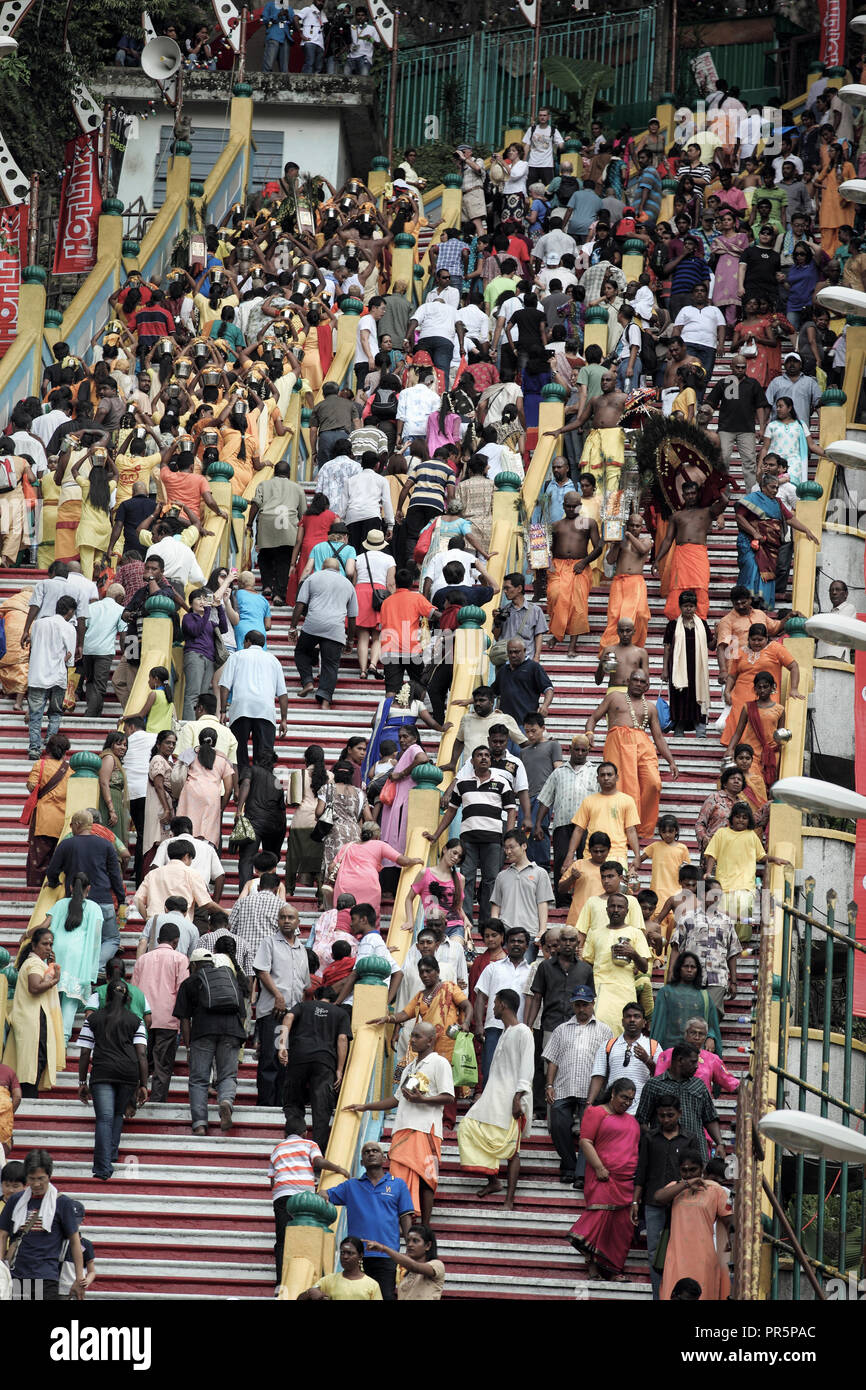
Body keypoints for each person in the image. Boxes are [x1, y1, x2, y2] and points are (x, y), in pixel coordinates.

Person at [345, 1022, 454, 1223]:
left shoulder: (439, 1063)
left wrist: (423, 1100)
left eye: (418, 1037)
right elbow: (396, 1099)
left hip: (426, 1129)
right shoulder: (410, 1067)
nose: (412, 1040)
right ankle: (404, 1222)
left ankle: (425, 1226)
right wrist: (365, 1106)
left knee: (426, 1178)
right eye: (412, 1035)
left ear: (430, 1040)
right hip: (403, 1128)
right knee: (398, 1178)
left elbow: (449, 1096)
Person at [457, 989, 534, 1209]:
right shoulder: (505, 1032)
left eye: (494, 1004)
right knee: (467, 1128)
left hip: (512, 1097)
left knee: (513, 1150)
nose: (492, 1008)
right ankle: (493, 1181)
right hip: (493, 1095)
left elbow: (527, 1068)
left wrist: (518, 1097)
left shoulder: (523, 1032)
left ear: (502, 1005)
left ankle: (509, 1198)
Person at [424, 746, 517, 924]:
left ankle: (487, 921)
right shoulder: (462, 783)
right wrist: (436, 835)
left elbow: (511, 812)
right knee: (465, 878)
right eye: (479, 755)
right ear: (472, 760)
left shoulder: (502, 782)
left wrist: (509, 839)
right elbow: (451, 812)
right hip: (467, 841)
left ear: (490, 759)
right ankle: (463, 918)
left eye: (486, 755)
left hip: (494, 840)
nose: (483, 758)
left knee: (491, 880)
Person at [586, 671, 679, 839]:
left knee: (653, 783)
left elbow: (658, 737)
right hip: (617, 744)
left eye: (642, 681)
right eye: (634, 679)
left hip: (643, 745)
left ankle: (641, 828)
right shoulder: (614, 697)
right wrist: (589, 733)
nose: (638, 683)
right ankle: (621, 828)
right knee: (621, 788)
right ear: (628, 680)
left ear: (647, 686)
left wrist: (671, 761)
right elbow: (593, 718)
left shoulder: (650, 707)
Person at [322, 1140, 414, 1300]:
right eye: (366, 1152)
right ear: (361, 1162)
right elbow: (325, 1194)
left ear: (384, 1158)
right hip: (357, 1256)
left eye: (375, 1150)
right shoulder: (351, 1186)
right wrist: (322, 1194)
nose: (371, 1153)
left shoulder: (398, 1184)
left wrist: (410, 1248)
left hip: (387, 1254)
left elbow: (405, 1217)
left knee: (385, 1296)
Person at [568, 1076, 640, 1281]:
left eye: (630, 1100)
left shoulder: (632, 1121)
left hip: (627, 1181)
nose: (626, 1103)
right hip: (602, 1178)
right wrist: (599, 1167)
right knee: (599, 1220)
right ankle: (592, 1269)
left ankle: (614, 1270)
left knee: (620, 1227)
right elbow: (585, 1141)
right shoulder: (596, 1112)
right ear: (613, 1093)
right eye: (623, 1097)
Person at [76, 979, 148, 1181]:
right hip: (128, 1073)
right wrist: (143, 1084)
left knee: (104, 1119)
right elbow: (141, 1054)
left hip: (103, 1072)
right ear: (127, 998)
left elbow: (84, 1052)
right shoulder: (136, 1020)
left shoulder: (93, 1019)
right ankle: (111, 1155)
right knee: (117, 1114)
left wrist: (82, 1082)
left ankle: (102, 1168)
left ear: (106, 996)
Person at [543, 984, 613, 1187]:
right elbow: (552, 1060)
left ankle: (581, 1174)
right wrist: (549, 1085)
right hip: (564, 1086)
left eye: (585, 1004)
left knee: (588, 1130)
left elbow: (607, 1061)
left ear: (593, 1004)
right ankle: (569, 1165)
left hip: (590, 1089)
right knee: (557, 1122)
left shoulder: (604, 1030)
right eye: (578, 1005)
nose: (581, 1009)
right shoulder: (561, 1029)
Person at [173, 948, 247, 1135]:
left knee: (198, 1079)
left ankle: (199, 1124)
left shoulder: (190, 982)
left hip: (203, 1032)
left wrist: (189, 1047)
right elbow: (244, 1013)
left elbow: (184, 1020)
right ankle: (226, 1102)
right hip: (231, 1031)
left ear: (194, 965)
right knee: (228, 1075)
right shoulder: (229, 979)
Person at [45, 810, 125, 972]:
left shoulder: (66, 844)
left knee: (77, 937)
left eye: (71, 824)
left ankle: (78, 967)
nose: (70, 827)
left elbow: (52, 870)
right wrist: (121, 899)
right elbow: (116, 875)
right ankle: (97, 967)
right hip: (103, 900)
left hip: (75, 902)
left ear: (77, 825)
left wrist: (54, 883)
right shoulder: (106, 844)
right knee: (111, 939)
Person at [0, 1148, 85, 1300]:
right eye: (32, 1179)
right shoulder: (16, 1200)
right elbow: (3, 1234)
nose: (37, 1184)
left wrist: (79, 1277)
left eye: (41, 1178)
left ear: (49, 1176)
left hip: (46, 1277)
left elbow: (74, 1241)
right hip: (19, 1275)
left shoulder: (62, 1203)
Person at [277, 986, 352, 1152]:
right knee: (321, 1106)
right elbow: (342, 1039)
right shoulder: (340, 1013)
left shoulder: (303, 1005)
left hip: (298, 1057)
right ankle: (317, 1151)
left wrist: (281, 1046)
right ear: (333, 1000)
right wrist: (339, 1069)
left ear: (315, 997)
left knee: (293, 1100)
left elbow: (288, 1016)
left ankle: (294, 1142)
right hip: (325, 1062)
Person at [655, 1149, 733, 1300]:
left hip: (703, 1256)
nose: (688, 1174)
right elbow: (658, 1197)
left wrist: (731, 1243)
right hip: (676, 1255)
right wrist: (685, 1184)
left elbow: (730, 1220)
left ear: (702, 1169)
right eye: (684, 1170)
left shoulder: (715, 1190)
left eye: (693, 1170)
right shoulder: (675, 1187)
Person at [254, 903, 311, 1107]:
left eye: (290, 917)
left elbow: (305, 985)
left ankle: (281, 1103)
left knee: (287, 1059)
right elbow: (262, 971)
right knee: (270, 1058)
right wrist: (278, 995)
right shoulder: (269, 942)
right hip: (274, 1012)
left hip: (293, 1015)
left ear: (298, 923)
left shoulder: (302, 949)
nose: (286, 921)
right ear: (277, 920)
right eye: (282, 917)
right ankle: (267, 1105)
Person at [38, 873, 102, 1042]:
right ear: (88, 888)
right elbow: (95, 940)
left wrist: (30, 934)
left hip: (57, 951)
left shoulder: (60, 904)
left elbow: (45, 926)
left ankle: (47, 1035)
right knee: (70, 999)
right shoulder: (94, 908)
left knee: (53, 994)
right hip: (78, 954)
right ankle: (63, 1039)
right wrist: (91, 966)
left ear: (71, 888)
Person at [131, 920, 189, 1103]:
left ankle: (135, 1096)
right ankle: (157, 1101)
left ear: (157, 939)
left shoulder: (142, 959)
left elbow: (134, 991)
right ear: (176, 941)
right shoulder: (180, 959)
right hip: (168, 1019)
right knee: (162, 1064)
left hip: (142, 1018)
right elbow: (182, 992)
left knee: (141, 1060)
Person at [654, 479, 728, 622]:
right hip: (681, 554)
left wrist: (715, 489)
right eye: (687, 494)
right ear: (683, 495)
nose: (690, 496)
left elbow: (724, 503)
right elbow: (668, 539)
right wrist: (657, 560)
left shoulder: (707, 511)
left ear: (698, 494)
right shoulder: (677, 516)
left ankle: (700, 619)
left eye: (693, 493)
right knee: (678, 587)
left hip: (698, 553)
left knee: (700, 587)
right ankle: (675, 620)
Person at [3, 928, 65, 1097]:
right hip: (33, 1022)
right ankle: (28, 1099)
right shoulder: (34, 964)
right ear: (34, 945)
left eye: (51, 944)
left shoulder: (37, 963)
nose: (49, 947)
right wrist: (55, 980)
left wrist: (51, 967)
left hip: (32, 1020)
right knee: (32, 1065)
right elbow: (35, 987)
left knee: (32, 1064)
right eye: (45, 943)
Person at [721, 623, 802, 747]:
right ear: (748, 639)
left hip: (766, 695)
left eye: (760, 640)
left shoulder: (776, 648)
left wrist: (794, 689)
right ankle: (736, 756)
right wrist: (727, 691)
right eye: (753, 640)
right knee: (738, 727)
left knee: (763, 729)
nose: (757, 643)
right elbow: (732, 675)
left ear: (767, 638)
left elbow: (794, 666)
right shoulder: (741, 651)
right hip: (740, 698)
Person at [219, 631, 288, 773]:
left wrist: (222, 711)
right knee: (264, 756)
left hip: (240, 709)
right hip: (265, 711)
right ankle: (260, 785)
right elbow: (282, 693)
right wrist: (284, 719)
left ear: (248, 641)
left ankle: (242, 782)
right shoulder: (273, 660)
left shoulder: (237, 656)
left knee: (238, 752)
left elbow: (225, 685)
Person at [581, 894, 649, 1036]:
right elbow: (587, 963)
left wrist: (633, 953)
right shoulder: (595, 933)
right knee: (597, 1028)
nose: (616, 910)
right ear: (607, 910)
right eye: (612, 906)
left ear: (627, 911)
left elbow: (644, 967)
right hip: (600, 988)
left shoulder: (636, 933)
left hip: (624, 989)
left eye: (620, 907)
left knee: (622, 1030)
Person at [546, 491, 602, 656]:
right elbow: (547, 549)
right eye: (568, 506)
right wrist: (547, 564)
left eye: (574, 506)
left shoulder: (588, 523)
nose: (571, 509)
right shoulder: (555, 525)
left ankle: (572, 646)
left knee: (578, 606)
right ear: (563, 506)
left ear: (580, 506)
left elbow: (598, 547)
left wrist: (584, 562)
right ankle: (557, 633)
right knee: (555, 595)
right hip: (558, 567)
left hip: (579, 567)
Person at [25, 594, 77, 759]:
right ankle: (50, 744)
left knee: (35, 714)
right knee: (55, 713)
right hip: (57, 676)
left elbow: (33, 647)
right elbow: (70, 656)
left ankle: (34, 749)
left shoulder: (38, 624)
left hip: (37, 675)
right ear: (70, 611)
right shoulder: (69, 628)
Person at [587, 1001, 659, 1114]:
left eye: (637, 1016)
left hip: (641, 1111)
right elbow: (598, 1076)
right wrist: (589, 1103)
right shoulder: (608, 1045)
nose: (632, 1020)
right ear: (622, 1021)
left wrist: (647, 1060)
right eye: (628, 1016)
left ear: (644, 1022)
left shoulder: (653, 1046)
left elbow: (661, 1076)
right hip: (611, 1110)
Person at [662, 589, 713, 737]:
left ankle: (700, 729)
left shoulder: (702, 624)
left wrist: (719, 634)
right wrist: (664, 670)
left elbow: (711, 645)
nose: (688, 608)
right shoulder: (672, 625)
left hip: (697, 669)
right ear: (680, 607)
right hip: (678, 669)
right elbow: (667, 648)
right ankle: (679, 728)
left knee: (698, 696)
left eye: (691, 605)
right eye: (685, 606)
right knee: (680, 697)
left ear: (696, 607)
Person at [650, 949, 724, 1053]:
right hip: (671, 1051)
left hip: (696, 1055)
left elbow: (712, 1025)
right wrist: (655, 1053)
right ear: (679, 968)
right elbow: (658, 1026)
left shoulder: (704, 995)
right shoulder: (666, 992)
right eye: (686, 966)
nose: (689, 970)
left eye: (693, 967)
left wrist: (711, 1037)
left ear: (697, 970)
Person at [490, 828, 555, 946]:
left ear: (524, 846)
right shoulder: (501, 876)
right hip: (505, 936)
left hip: (529, 934)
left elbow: (542, 903)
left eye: (512, 847)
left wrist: (542, 930)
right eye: (506, 848)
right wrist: (496, 930)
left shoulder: (540, 873)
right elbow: (496, 906)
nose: (508, 851)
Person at [598, 517, 652, 654]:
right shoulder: (620, 541)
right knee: (615, 615)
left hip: (636, 582)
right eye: (632, 525)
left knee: (640, 614)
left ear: (642, 527)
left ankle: (634, 645)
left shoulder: (646, 540)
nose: (634, 528)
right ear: (627, 525)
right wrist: (617, 543)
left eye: (637, 526)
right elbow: (610, 560)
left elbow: (642, 550)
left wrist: (627, 534)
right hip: (618, 582)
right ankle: (612, 648)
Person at [24, 732, 71, 889]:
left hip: (43, 819)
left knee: (38, 857)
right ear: (65, 751)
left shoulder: (40, 764)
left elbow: (31, 786)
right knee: (56, 856)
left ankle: (34, 888)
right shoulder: (70, 770)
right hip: (61, 820)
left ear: (48, 749)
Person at [236, 749, 287, 891]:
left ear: (257, 760)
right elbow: (281, 809)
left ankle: (244, 895)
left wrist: (239, 809)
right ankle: (269, 892)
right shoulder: (276, 781)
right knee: (269, 862)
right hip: (274, 825)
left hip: (254, 821)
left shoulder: (251, 770)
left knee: (247, 859)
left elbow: (245, 785)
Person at [655, 1017, 740, 1096]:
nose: (697, 1037)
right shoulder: (668, 1054)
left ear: (706, 1037)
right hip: (673, 1106)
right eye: (693, 1033)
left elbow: (729, 1081)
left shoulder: (712, 1059)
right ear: (686, 1034)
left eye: (701, 1034)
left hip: (701, 1106)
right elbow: (658, 1082)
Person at [364, 1224, 445, 1301]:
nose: (409, 1244)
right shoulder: (406, 1273)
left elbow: (414, 1267)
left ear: (428, 1245)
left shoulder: (437, 1265)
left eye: (415, 1241)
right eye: (408, 1240)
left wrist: (384, 1249)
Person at [490, 638, 554, 731]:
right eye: (510, 652)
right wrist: (470, 700)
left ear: (524, 651)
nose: (513, 655)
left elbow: (548, 689)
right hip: (505, 725)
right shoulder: (503, 670)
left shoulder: (534, 667)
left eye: (516, 652)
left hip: (526, 725)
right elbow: (492, 693)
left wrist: (545, 706)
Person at [298, 1236, 384, 1301]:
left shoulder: (372, 1285)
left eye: (350, 1253)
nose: (345, 1257)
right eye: (342, 1253)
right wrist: (309, 1292)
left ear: (360, 1256)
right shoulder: (328, 1280)